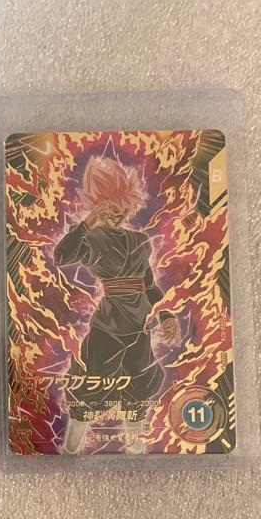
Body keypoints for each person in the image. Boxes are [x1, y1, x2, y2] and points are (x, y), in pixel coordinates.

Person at [54, 155, 178, 454]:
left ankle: (137, 453)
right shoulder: (92, 239)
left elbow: (149, 286)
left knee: (138, 395)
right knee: (87, 392)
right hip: (107, 327)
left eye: (121, 206)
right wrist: (89, 222)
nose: (117, 213)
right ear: (97, 204)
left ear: (129, 203)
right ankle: (69, 452)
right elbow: (61, 256)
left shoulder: (139, 241)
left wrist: (165, 314)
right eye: (109, 206)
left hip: (139, 326)